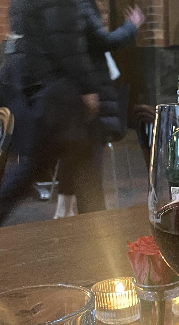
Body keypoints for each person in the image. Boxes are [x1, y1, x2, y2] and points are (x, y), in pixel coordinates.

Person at [0, 0, 100, 226]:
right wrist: (87, 87)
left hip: (32, 82)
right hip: (54, 88)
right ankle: (94, 231)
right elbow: (67, 41)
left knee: (47, 162)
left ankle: (90, 229)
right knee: (49, 164)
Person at [53, 0, 145, 218]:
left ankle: (66, 211)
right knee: (88, 161)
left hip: (74, 87)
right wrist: (131, 26)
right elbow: (100, 41)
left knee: (75, 153)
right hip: (87, 88)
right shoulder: (80, 3)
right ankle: (91, 222)